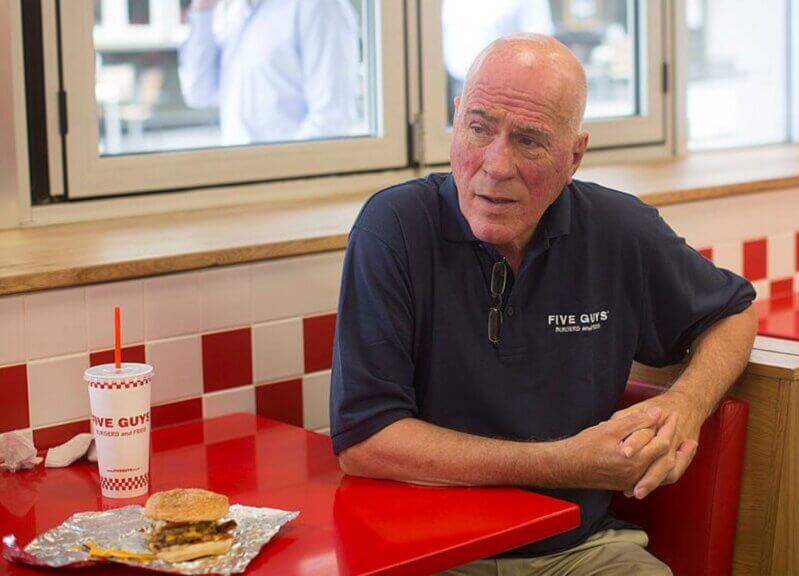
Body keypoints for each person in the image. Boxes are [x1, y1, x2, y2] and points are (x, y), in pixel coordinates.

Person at [330, 34, 757, 575]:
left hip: (579, 550)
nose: (495, 164)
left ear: (574, 155)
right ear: (457, 119)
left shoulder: (619, 231)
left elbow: (734, 311)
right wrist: (569, 462)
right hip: (429, 550)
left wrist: (686, 406)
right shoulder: (393, 228)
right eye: (479, 128)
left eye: (529, 141)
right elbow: (365, 441)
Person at [178, 0, 359, 146]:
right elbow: (198, 93)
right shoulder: (235, 11)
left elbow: (332, 120)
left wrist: (276, 173)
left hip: (285, 181)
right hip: (244, 177)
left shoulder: (319, 6)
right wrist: (203, 7)